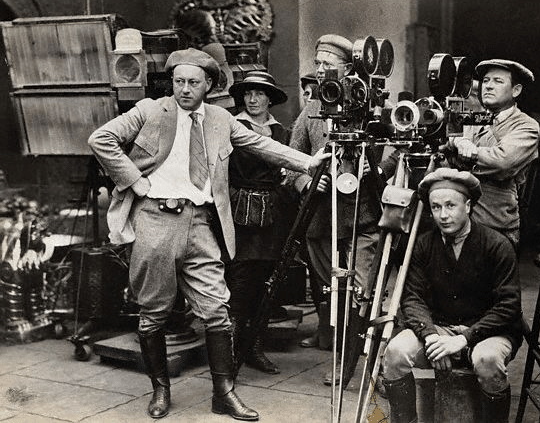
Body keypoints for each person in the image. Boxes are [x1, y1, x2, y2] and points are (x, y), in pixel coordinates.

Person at [88, 48, 328, 421]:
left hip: (201, 224)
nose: (184, 89)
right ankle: (161, 390)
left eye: (193, 83)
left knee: (217, 309)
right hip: (156, 220)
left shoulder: (220, 119)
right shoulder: (151, 110)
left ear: (210, 85)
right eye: (179, 81)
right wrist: (136, 182)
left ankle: (223, 393)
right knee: (154, 313)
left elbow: (263, 146)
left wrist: (308, 162)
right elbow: (101, 140)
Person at [288, 34, 398, 386]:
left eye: (327, 65)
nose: (320, 71)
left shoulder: (369, 105)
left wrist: (376, 169)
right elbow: (294, 160)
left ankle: (356, 365)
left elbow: (397, 147)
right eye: (317, 64)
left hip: (363, 218)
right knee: (331, 290)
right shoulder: (311, 110)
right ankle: (345, 353)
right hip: (321, 221)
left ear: (348, 67)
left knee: (361, 294)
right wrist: (307, 180)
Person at [383, 167, 523, 423]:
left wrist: (465, 339)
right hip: (439, 328)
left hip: (488, 330)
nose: (443, 215)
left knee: (487, 360)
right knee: (395, 353)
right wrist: (432, 337)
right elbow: (412, 298)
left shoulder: (497, 245)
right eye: (436, 207)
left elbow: (508, 306)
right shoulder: (424, 245)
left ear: (468, 206)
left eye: (451, 205)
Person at [225, 70, 295, 375]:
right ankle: (228, 353)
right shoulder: (232, 126)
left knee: (267, 282)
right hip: (239, 212)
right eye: (248, 94)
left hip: (272, 215)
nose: (253, 100)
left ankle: (254, 348)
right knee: (240, 281)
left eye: (260, 94)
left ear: (270, 99)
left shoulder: (283, 133)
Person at [445, 59, 540, 250]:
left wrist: (464, 152)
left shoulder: (526, 126)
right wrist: (456, 141)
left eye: (498, 81)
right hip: (459, 221)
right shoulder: (472, 117)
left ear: (516, 90)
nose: (488, 86)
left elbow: (502, 161)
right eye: (486, 80)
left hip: (495, 225)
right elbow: (444, 143)